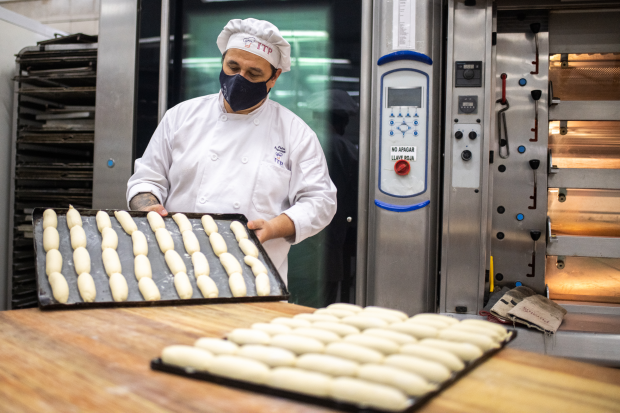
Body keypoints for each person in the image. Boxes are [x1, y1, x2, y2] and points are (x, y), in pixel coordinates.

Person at [126, 18, 337, 283]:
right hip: (174, 269)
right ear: (222, 61)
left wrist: (273, 227)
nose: (239, 79)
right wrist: (148, 207)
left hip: (254, 275)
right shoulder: (180, 117)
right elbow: (146, 180)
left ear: (274, 77)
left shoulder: (295, 133)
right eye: (233, 66)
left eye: (254, 74)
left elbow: (321, 202)